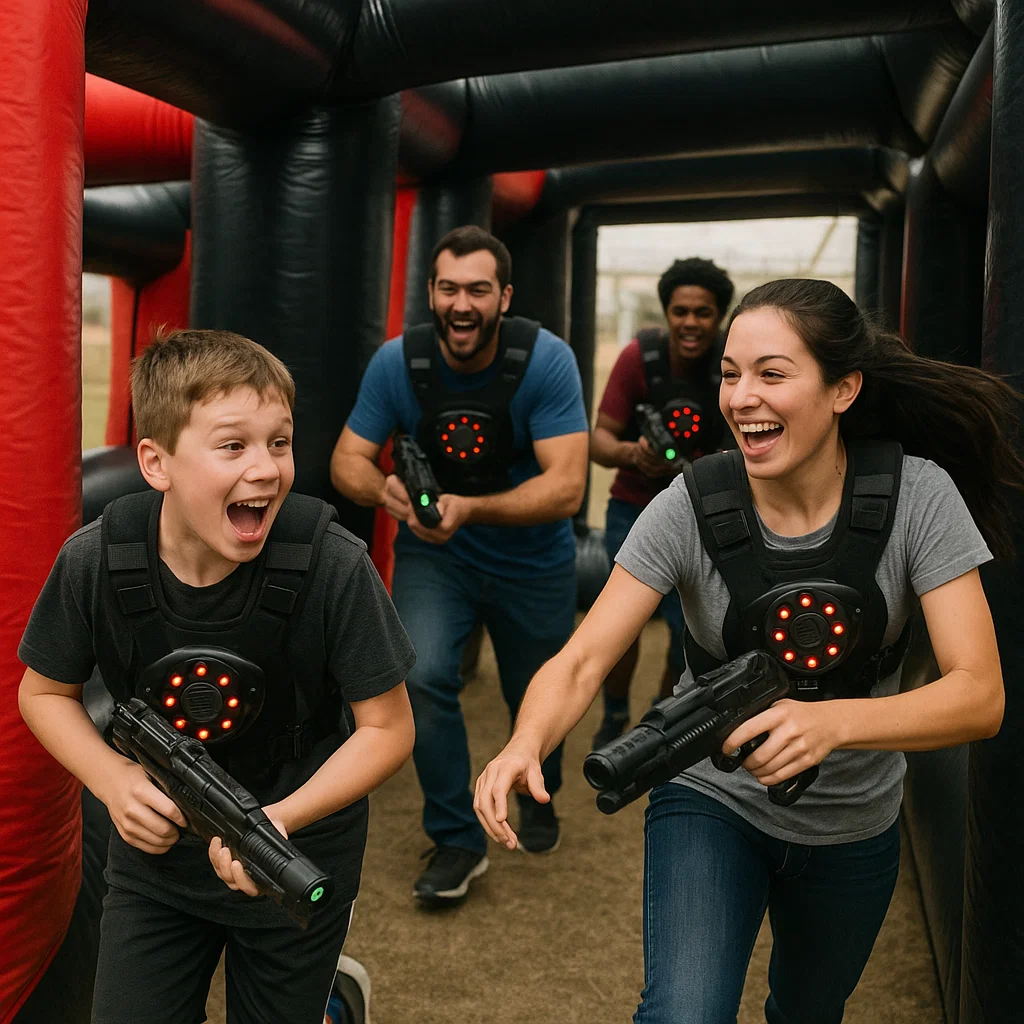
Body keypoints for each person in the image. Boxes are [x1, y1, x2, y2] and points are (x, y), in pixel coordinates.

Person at [475, 278, 1016, 1023]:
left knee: (806, 1011)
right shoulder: (691, 504)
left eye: (772, 373)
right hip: (710, 798)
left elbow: (979, 694)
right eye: (730, 374)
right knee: (683, 1013)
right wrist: (525, 742)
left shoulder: (919, 498)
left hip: (854, 824)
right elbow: (582, 659)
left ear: (843, 389)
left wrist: (830, 723)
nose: (740, 396)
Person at [18, 329, 416, 1024]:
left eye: (280, 442)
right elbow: (43, 693)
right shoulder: (95, 560)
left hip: (295, 855)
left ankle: (334, 1002)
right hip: (156, 866)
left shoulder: (333, 565)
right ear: (155, 461)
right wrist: (114, 782)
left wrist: (280, 821)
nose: (265, 469)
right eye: (233, 446)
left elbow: (387, 728)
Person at [332, 225, 588, 905]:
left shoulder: (547, 360)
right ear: (432, 293)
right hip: (433, 555)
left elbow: (568, 487)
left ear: (504, 296)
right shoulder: (399, 361)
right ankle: (455, 837)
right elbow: (345, 460)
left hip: (534, 559)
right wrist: (387, 493)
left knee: (536, 689)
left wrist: (469, 509)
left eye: (479, 289)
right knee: (418, 675)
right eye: (449, 288)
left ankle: (538, 788)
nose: (462, 303)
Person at [590, 257, 734, 749]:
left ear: (719, 316)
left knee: (689, 627)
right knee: (618, 629)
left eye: (703, 312)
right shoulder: (639, 358)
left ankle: (660, 719)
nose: (690, 322)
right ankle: (613, 715)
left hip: (704, 515)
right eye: (681, 311)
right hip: (633, 505)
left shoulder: (732, 361)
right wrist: (635, 453)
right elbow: (599, 441)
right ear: (666, 311)